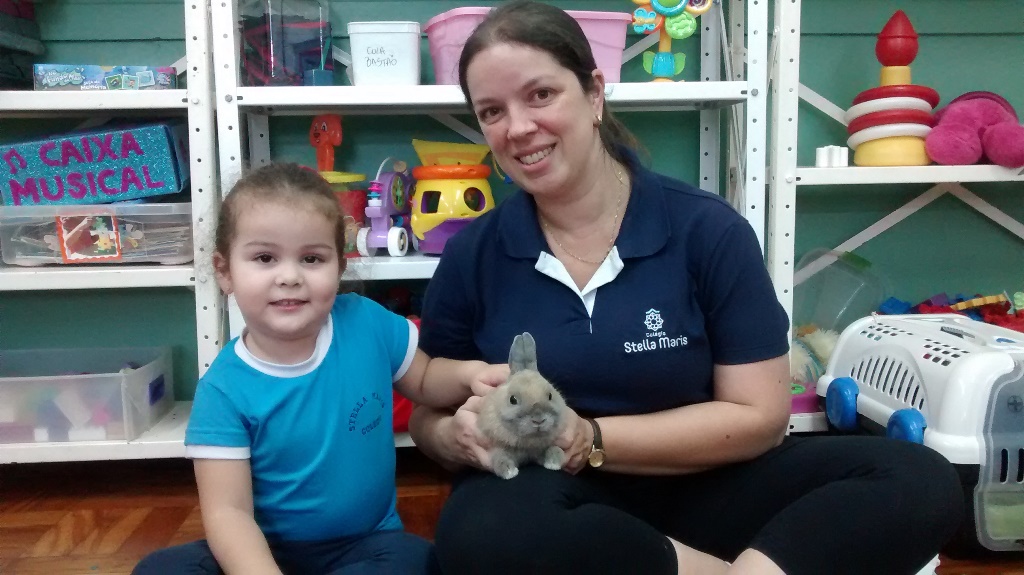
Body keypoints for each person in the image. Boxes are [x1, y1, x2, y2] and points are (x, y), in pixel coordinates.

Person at [408, 2, 964, 575]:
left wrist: (588, 436)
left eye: (541, 95)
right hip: (558, 501)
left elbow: (761, 417)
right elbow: (428, 414)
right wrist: (453, 436)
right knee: (480, 531)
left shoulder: (706, 229)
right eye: (492, 111)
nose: (519, 127)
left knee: (919, 478)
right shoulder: (473, 254)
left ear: (594, 93)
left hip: (713, 489)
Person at [133, 163, 509, 575]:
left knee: (417, 560)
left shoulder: (366, 322)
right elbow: (229, 514)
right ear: (225, 272)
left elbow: (423, 377)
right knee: (160, 570)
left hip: (366, 545)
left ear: (340, 266)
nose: (290, 276)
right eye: (264, 258)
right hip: (262, 550)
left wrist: (468, 376)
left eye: (311, 258)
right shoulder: (222, 390)